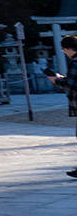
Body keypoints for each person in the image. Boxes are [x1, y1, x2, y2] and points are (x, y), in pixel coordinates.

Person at [47, 36, 77, 177]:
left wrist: (56, 81)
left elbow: (70, 86)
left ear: (70, 48)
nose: (65, 52)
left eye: (65, 50)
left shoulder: (74, 64)